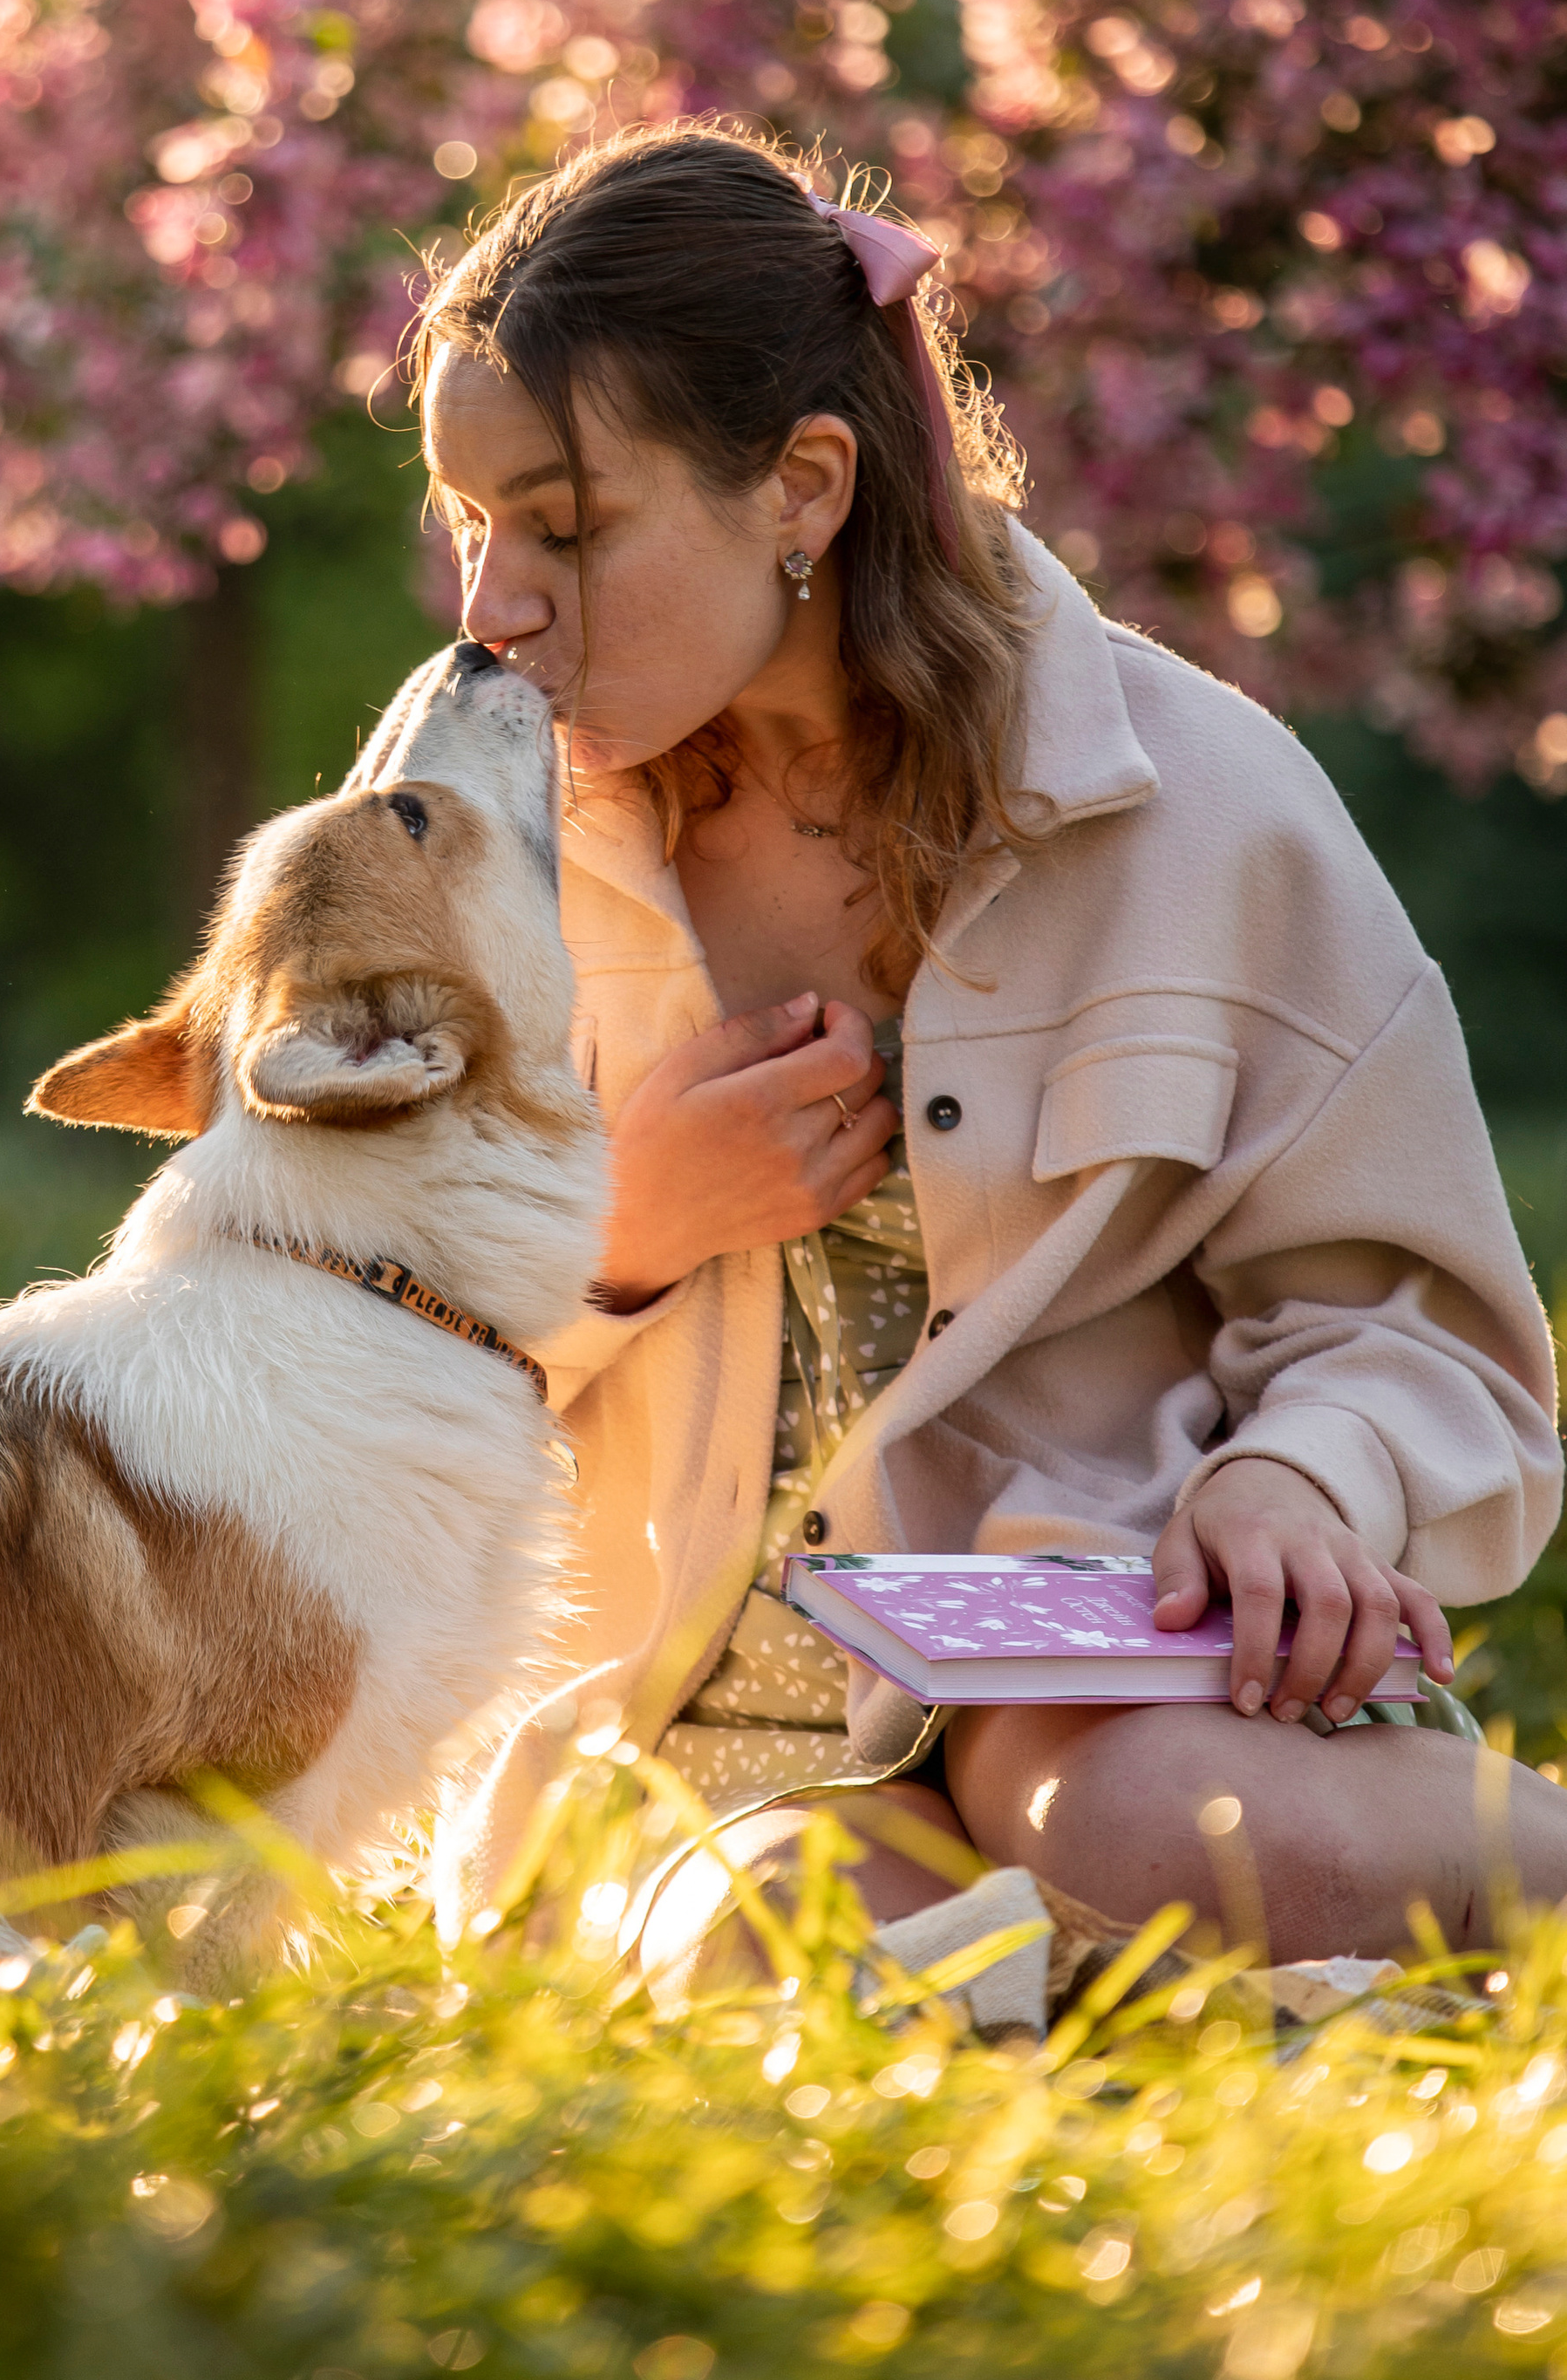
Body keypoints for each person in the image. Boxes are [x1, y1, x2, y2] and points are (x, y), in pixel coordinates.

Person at [412, 122, 1563, 1967]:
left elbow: (1423, 1336)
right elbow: (305, 1327)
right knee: (777, 1930)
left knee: (1135, 1828)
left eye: (562, 525)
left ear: (801, 486)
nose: (492, 608)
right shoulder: (455, 830)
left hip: (1107, 1683)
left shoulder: (1201, 805)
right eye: (468, 523)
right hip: (668, 1739)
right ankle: (1158, 2023)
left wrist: (1301, 1477)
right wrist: (613, 1230)